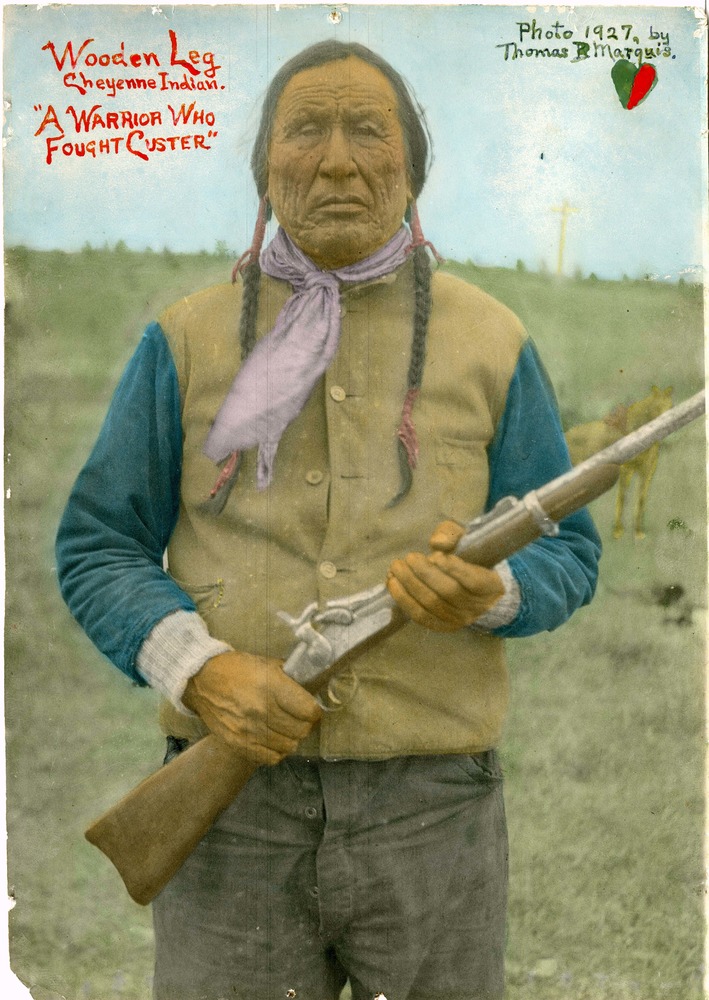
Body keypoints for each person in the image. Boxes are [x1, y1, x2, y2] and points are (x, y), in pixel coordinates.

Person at [56, 40, 601, 1000]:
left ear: (411, 167)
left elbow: (567, 554)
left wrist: (492, 590)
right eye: (306, 130)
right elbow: (100, 545)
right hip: (230, 812)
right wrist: (203, 671)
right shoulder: (183, 336)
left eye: (368, 132)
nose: (339, 160)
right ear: (267, 166)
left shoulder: (495, 339)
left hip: (434, 812)